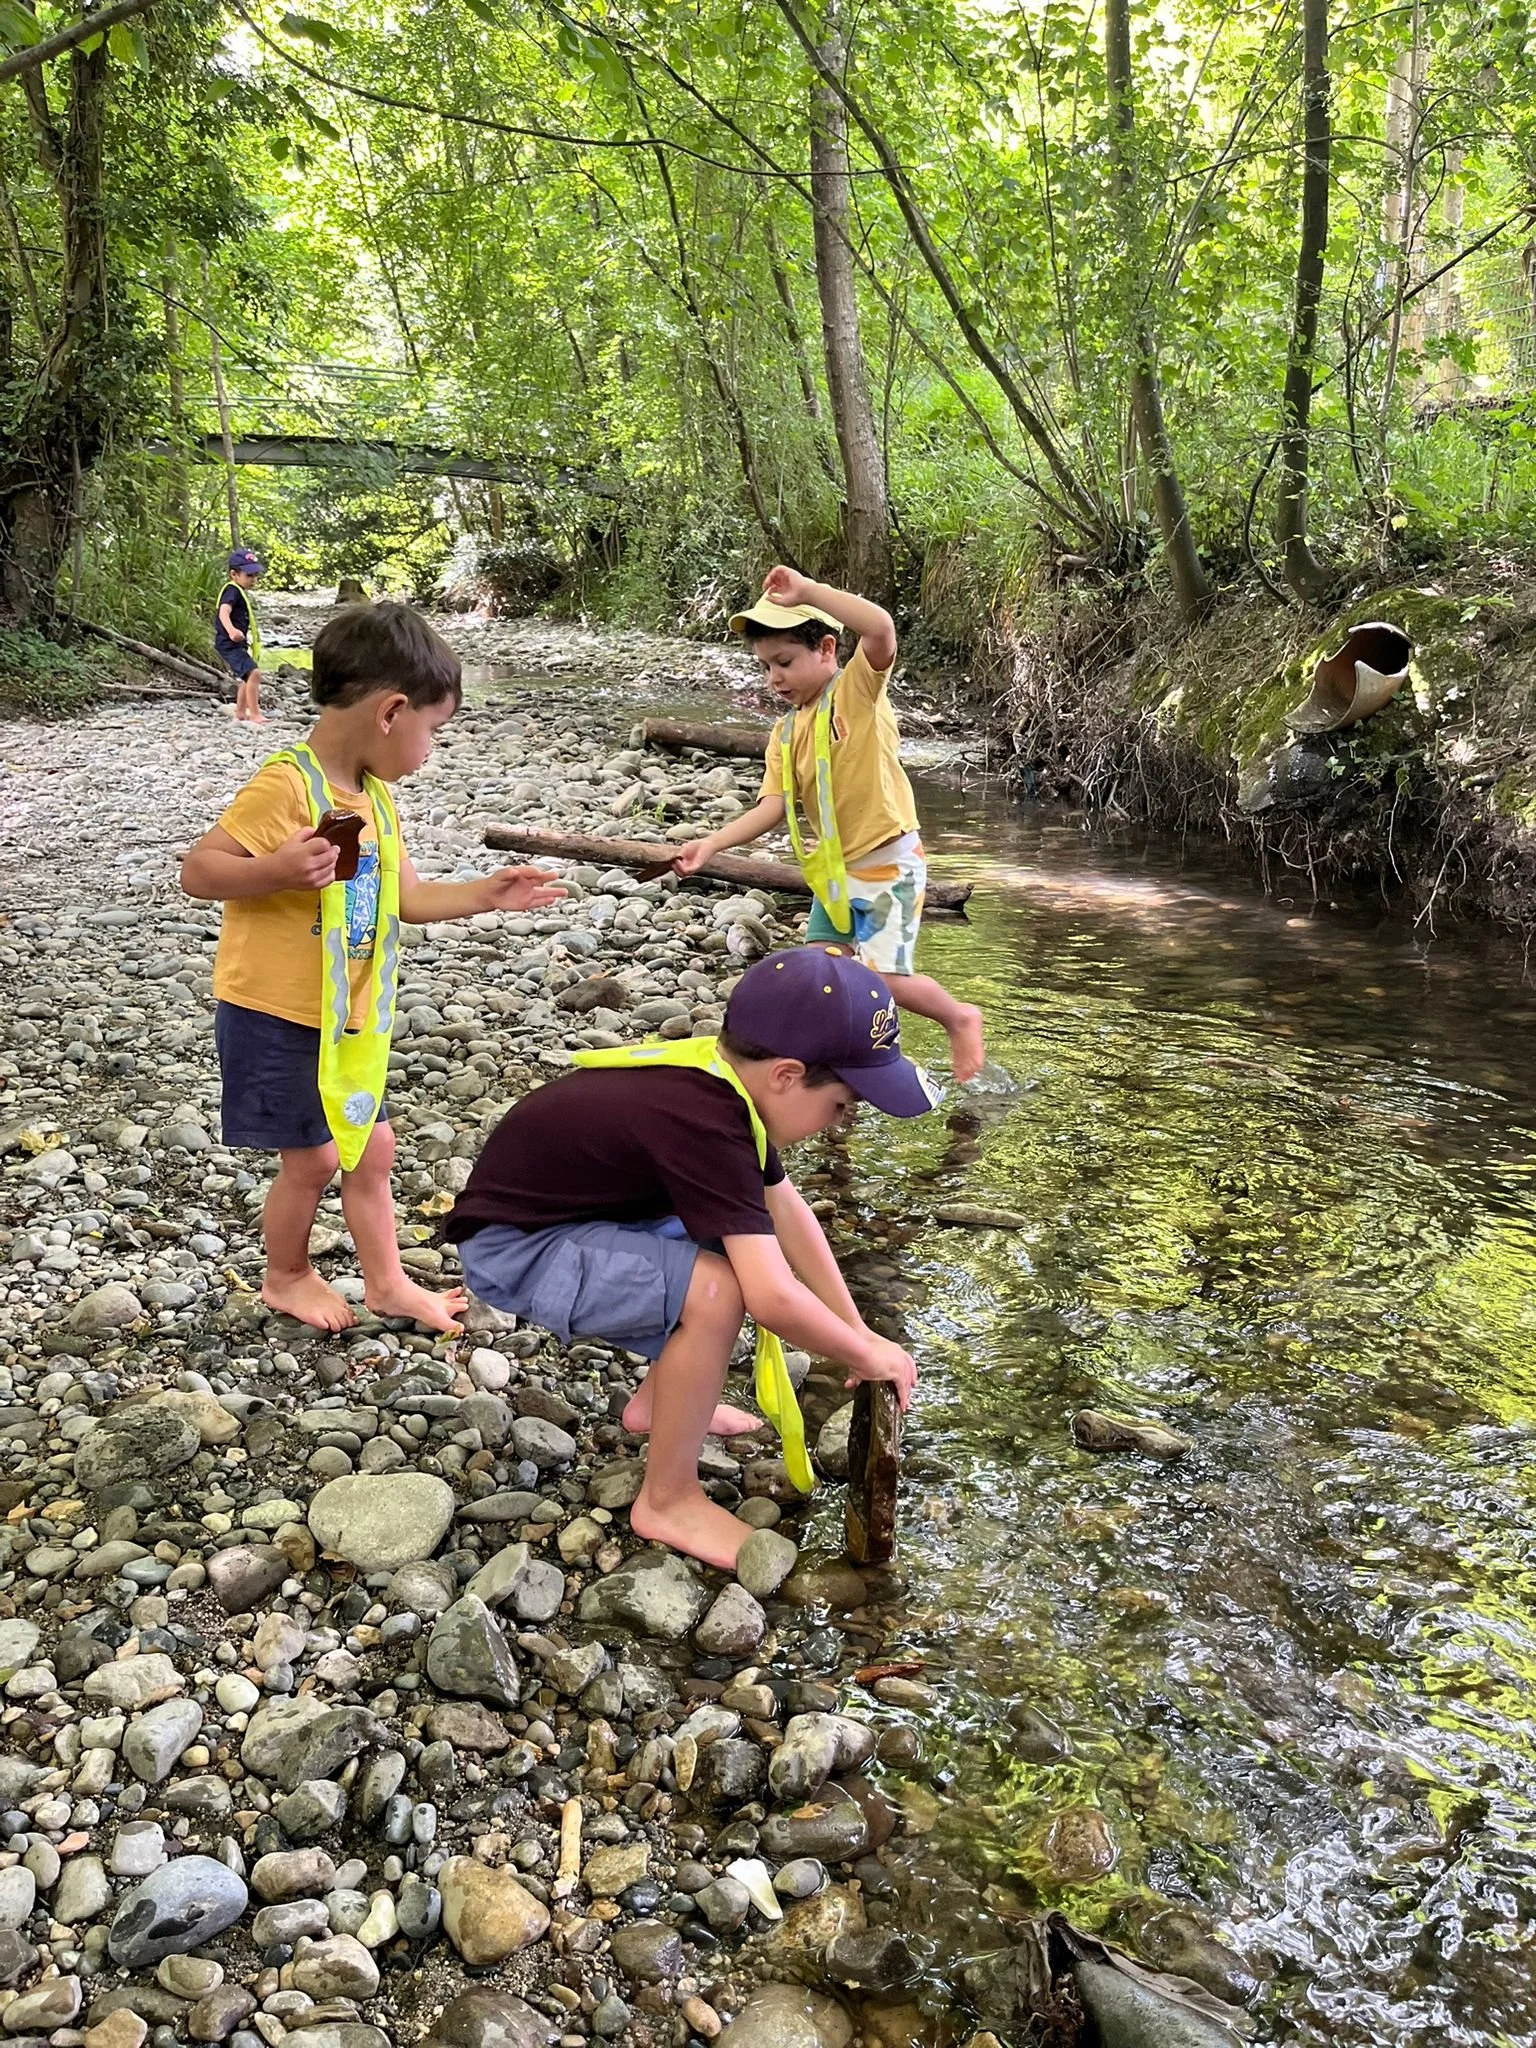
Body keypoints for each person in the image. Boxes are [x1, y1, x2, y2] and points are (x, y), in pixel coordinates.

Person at [446, 944, 934, 1569]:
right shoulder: (708, 1121)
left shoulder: (723, 1084)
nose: (841, 1124)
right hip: (518, 1248)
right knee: (719, 1290)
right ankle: (668, 1498)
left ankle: (658, 1404)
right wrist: (862, 1354)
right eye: (841, 1105)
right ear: (786, 1075)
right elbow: (770, 1297)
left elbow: (792, 1219)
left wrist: (859, 1331)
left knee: (730, 1238)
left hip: (577, 1219)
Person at [181, 600, 565, 1336]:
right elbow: (200, 871)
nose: (430, 751)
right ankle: (286, 1275)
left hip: (348, 1015)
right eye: (434, 731)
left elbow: (407, 899)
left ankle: (386, 1284)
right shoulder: (289, 786)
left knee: (373, 1147)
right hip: (276, 1011)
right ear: (392, 711)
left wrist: (487, 894)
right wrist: (278, 870)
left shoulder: (374, 799)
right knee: (316, 1159)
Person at [676, 565, 985, 1082]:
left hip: (889, 861)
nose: (775, 678)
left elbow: (880, 628)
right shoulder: (784, 732)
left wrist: (810, 592)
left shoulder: (856, 694)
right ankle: (846, 1061)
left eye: (785, 662)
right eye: (766, 666)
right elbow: (771, 807)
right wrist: (710, 845)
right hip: (835, 873)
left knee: (887, 978)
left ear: (825, 649)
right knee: (824, 973)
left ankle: (959, 1017)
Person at [215, 546, 267, 725]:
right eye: (248, 575)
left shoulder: (238, 591)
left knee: (246, 675)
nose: (253, 580)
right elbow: (223, 612)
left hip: (236, 642)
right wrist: (231, 631)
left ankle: (240, 712)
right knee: (254, 673)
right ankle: (254, 714)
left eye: (255, 576)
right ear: (234, 574)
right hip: (229, 642)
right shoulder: (232, 591)